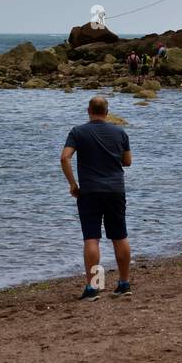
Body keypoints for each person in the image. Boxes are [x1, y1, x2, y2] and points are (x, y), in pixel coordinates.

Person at [61, 96, 133, 300]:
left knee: (92, 238)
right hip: (115, 190)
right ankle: (124, 283)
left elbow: (64, 157)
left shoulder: (78, 132)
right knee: (120, 236)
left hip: (90, 191)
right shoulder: (120, 132)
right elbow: (127, 161)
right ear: (107, 112)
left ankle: (95, 287)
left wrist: (73, 184)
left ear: (88, 111)